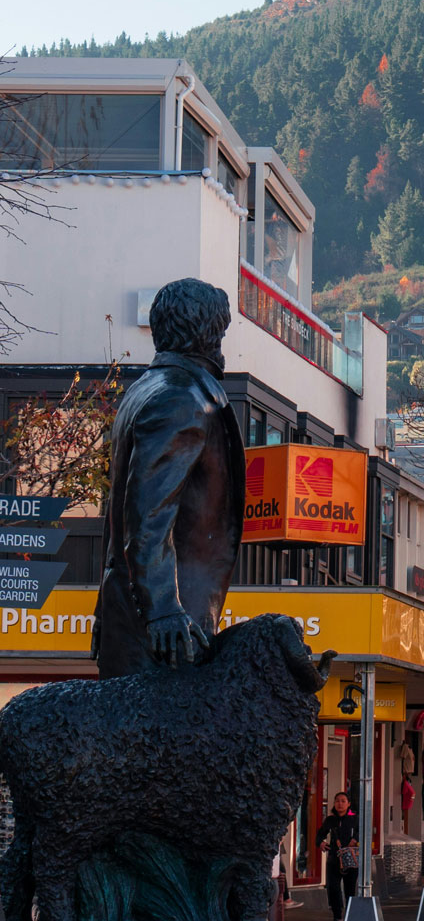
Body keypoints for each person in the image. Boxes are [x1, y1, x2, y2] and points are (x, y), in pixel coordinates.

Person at [93, 279, 243, 679]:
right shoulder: (180, 398)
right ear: (211, 333)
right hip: (167, 628)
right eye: (222, 332)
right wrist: (162, 609)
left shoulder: (145, 390)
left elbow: (121, 513)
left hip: (140, 616)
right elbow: (147, 515)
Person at [317, 792, 359, 921]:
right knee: (333, 888)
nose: (340, 804)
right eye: (337, 801)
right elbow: (320, 835)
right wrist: (321, 843)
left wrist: (355, 840)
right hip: (334, 859)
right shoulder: (330, 820)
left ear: (348, 804)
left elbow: (363, 832)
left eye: (343, 801)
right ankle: (337, 918)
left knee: (350, 889)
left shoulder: (354, 819)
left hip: (350, 859)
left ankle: (350, 918)